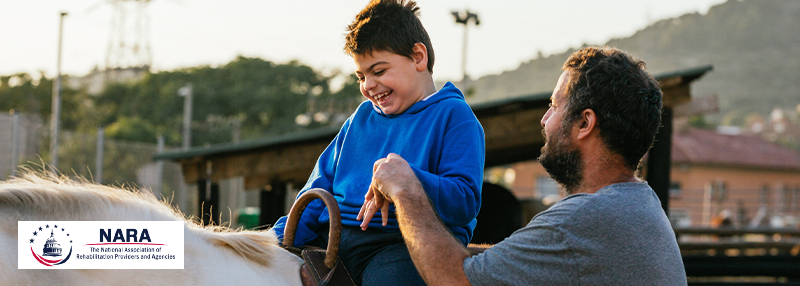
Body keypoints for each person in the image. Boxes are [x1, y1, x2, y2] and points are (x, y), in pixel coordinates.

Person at [362, 46, 688, 285]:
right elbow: (497, 265)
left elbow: (456, 281)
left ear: (584, 123)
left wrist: (406, 188)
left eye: (554, 106)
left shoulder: (582, 220)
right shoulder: (635, 206)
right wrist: (408, 243)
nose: (544, 121)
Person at [271, 0, 485, 285]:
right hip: (334, 239)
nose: (368, 85)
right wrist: (274, 240)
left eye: (379, 71)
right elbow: (318, 188)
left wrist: (408, 179)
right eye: (361, 76)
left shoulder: (454, 117)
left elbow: (465, 201)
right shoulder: (359, 119)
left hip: (400, 245)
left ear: (418, 57)